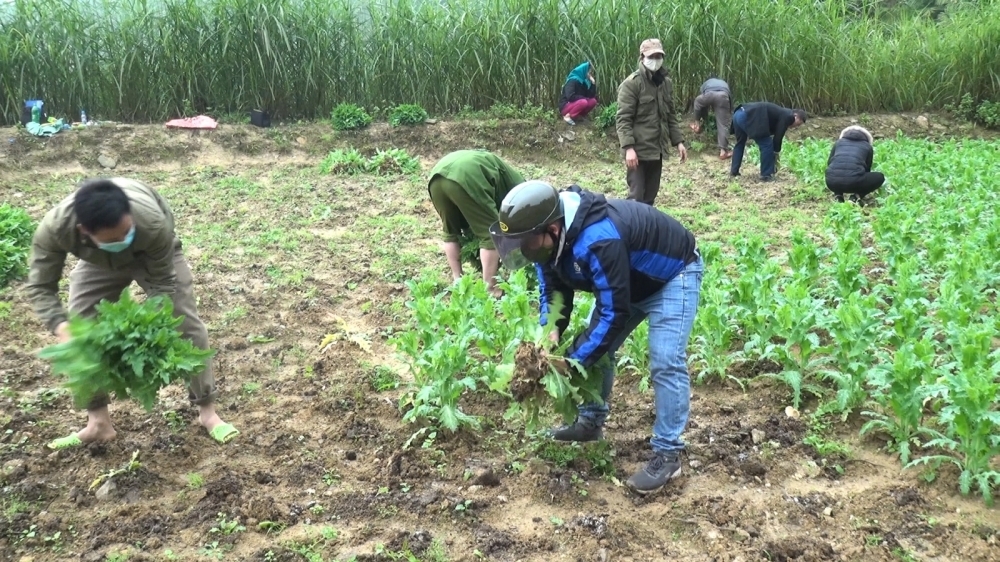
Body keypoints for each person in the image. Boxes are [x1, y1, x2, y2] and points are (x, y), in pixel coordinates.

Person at [489, 180, 703, 495]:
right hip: (626, 281)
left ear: (553, 229)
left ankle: (668, 453)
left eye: (528, 243)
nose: (525, 250)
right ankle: (590, 423)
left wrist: (571, 362)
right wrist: (550, 336)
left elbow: (612, 312)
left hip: (672, 274)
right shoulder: (545, 244)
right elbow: (553, 292)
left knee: (665, 360)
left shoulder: (597, 238)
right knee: (599, 350)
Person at [25, 178, 238, 449]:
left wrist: (153, 322)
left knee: (186, 324)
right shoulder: (55, 228)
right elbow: (40, 286)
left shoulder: (150, 222)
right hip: (98, 261)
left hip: (154, 256)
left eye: (127, 232)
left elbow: (163, 282)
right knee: (81, 332)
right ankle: (98, 423)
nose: (123, 241)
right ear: (83, 231)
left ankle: (208, 414)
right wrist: (61, 326)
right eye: (114, 239)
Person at [428, 150, 526, 296]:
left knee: (450, 232)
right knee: (491, 235)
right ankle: (490, 288)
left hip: (437, 177)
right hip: (466, 178)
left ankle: (458, 280)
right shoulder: (523, 191)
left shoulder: (507, 174)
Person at [615, 38, 688, 205]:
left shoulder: (666, 83)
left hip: (657, 149)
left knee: (650, 197)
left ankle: (646, 230)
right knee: (636, 196)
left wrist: (678, 142)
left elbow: (670, 115)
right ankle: (632, 229)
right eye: (651, 56)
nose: (655, 60)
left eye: (658, 56)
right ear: (642, 57)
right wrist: (628, 148)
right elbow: (623, 119)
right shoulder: (632, 84)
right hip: (638, 151)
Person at [729, 102, 807, 181]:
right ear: (796, 116)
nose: (795, 127)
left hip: (738, 113)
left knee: (740, 143)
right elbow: (778, 136)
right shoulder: (788, 116)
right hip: (748, 116)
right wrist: (776, 153)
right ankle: (766, 175)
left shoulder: (781, 112)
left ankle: (734, 171)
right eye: (798, 124)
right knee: (767, 144)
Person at [825, 125, 885, 204]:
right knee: (880, 177)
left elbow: (830, 163)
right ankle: (855, 197)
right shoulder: (867, 146)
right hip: (854, 183)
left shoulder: (838, 143)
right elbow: (867, 169)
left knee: (836, 172)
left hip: (831, 183)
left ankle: (838, 196)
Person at [690, 76, 733, 160]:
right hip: (723, 96)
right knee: (722, 125)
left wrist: (703, 117)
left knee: (698, 102)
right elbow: (730, 104)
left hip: (709, 95)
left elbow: (702, 105)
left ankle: (697, 125)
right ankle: (723, 152)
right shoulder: (724, 84)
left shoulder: (706, 84)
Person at [559, 61, 598, 125]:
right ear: (584, 71)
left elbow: (590, 96)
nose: (589, 74)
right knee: (583, 102)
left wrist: (593, 83)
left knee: (593, 101)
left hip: (578, 104)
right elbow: (570, 97)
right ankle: (568, 116)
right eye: (588, 72)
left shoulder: (584, 83)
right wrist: (584, 99)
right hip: (566, 106)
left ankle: (579, 115)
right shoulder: (571, 81)